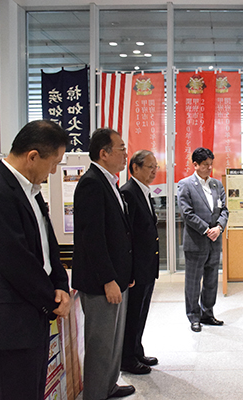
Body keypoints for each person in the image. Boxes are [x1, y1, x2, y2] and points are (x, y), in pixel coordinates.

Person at [0, 120, 71, 400]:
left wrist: (60, 283)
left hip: (29, 312)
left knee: (32, 391)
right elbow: (16, 262)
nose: (53, 171)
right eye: (53, 163)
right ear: (33, 156)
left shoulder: (31, 190)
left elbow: (47, 243)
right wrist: (52, 298)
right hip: (7, 322)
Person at [71, 128, 135, 399]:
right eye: (121, 148)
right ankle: (96, 394)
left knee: (113, 341)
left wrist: (125, 274)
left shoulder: (110, 181)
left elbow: (119, 233)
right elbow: (92, 238)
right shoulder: (91, 183)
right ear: (103, 153)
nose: (125, 154)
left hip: (116, 278)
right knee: (100, 343)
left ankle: (109, 385)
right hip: (100, 282)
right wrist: (109, 278)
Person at [177, 147, 229, 333]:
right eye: (205, 165)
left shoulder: (217, 185)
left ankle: (208, 313)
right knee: (193, 281)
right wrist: (207, 230)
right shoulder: (185, 185)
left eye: (210, 164)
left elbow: (224, 210)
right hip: (196, 241)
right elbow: (187, 213)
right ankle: (193, 316)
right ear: (195, 165)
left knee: (211, 280)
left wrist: (219, 227)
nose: (209, 168)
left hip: (214, 241)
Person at [119, 150, 160, 375]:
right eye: (150, 167)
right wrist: (131, 271)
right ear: (135, 168)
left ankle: (137, 350)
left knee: (142, 312)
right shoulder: (129, 193)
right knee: (133, 313)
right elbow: (128, 236)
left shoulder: (144, 191)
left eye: (156, 167)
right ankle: (127, 358)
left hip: (147, 266)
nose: (154, 171)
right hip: (137, 268)